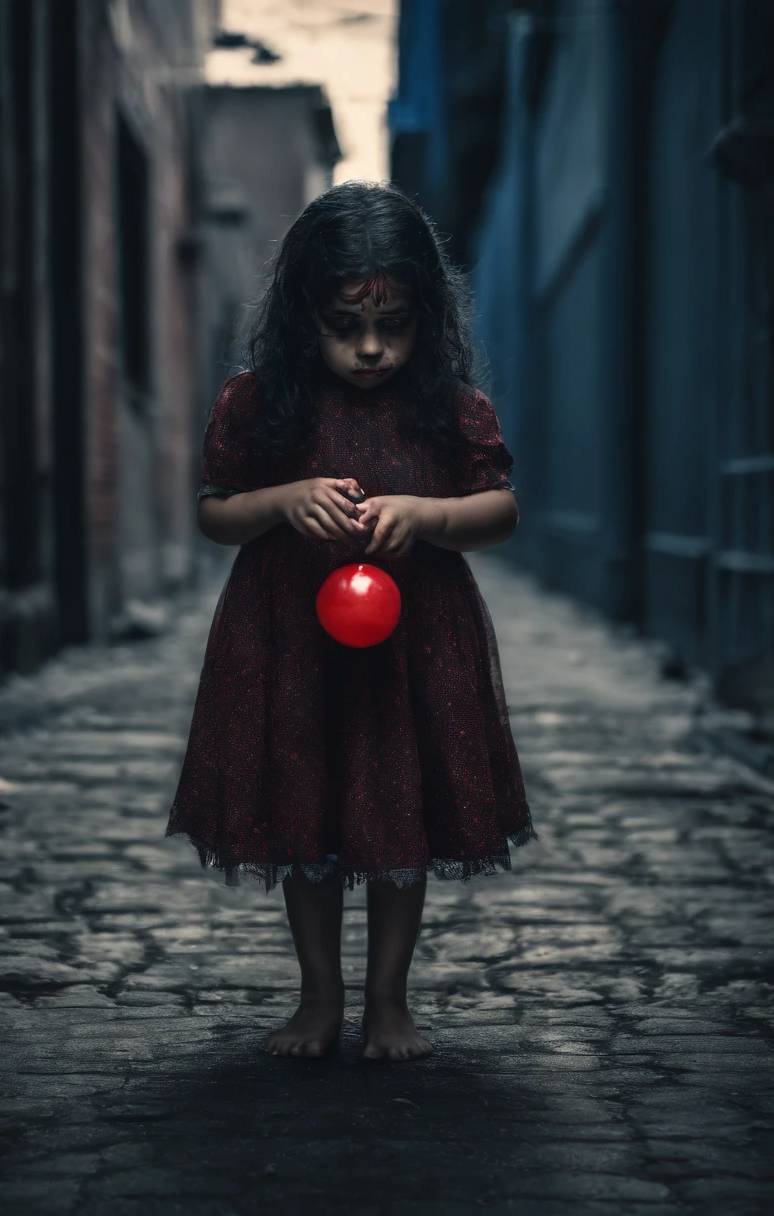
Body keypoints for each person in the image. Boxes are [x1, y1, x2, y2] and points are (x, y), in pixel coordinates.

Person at [165, 181, 535, 1062]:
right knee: (306, 810)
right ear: (304, 315)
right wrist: (281, 500)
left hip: (415, 648)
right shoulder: (259, 403)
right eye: (344, 326)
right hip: (289, 639)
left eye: (395, 325)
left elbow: (502, 510)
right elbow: (215, 515)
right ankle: (319, 996)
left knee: (397, 810)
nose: (371, 348)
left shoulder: (449, 409)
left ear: (426, 316)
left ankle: (389, 999)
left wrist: (432, 516)